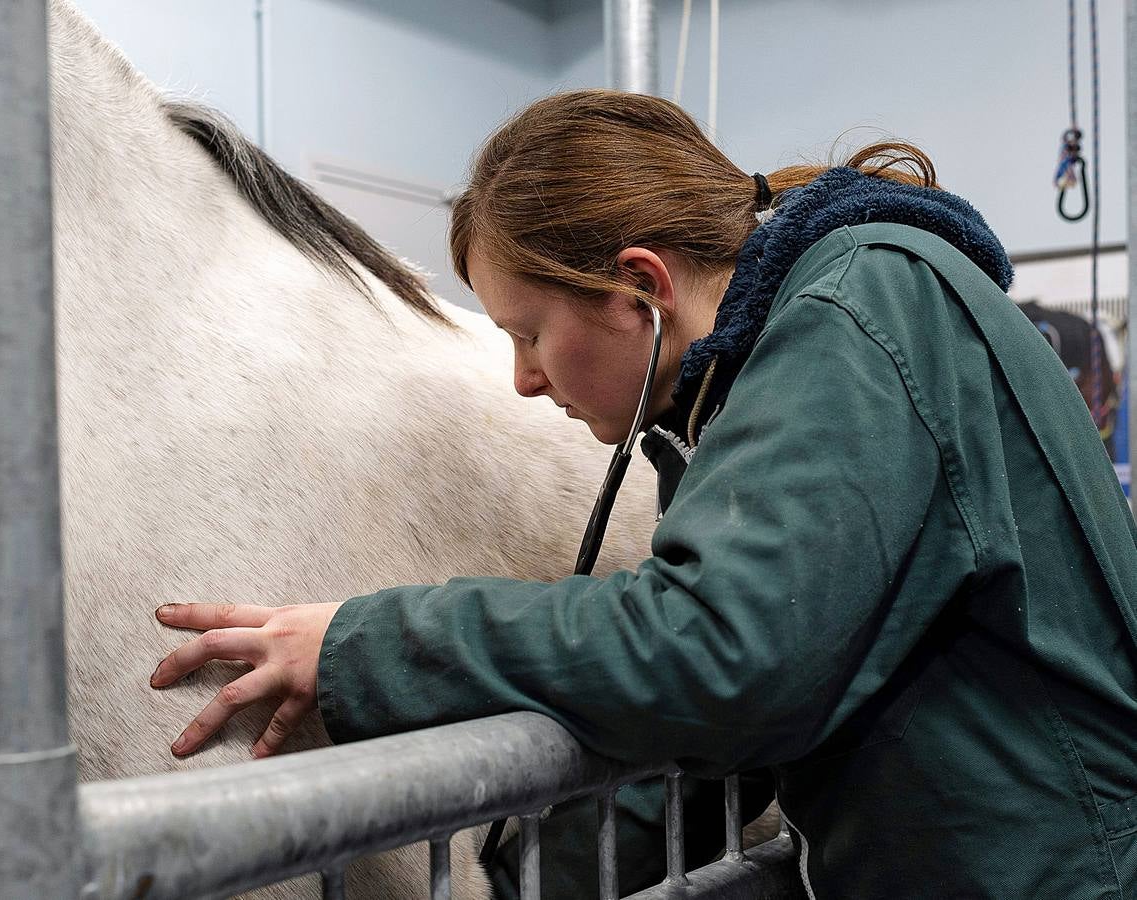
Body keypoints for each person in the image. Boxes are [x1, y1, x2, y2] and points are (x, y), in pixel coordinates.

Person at [147, 90, 1137, 897]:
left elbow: (722, 658)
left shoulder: (856, 309)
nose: (523, 380)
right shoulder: (773, 363)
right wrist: (529, 880)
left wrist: (364, 643)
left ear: (639, 289)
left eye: (527, 332)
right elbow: (742, 732)